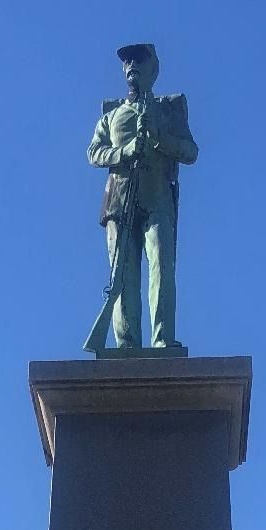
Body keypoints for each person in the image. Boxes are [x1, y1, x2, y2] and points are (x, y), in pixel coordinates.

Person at [86, 42, 198, 352]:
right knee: (123, 276)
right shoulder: (112, 116)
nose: (131, 65)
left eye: (139, 59)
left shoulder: (167, 110)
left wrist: (159, 140)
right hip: (120, 202)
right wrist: (125, 152)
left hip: (157, 198)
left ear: (153, 69)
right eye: (127, 61)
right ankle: (127, 345)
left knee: (161, 267)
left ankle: (162, 339)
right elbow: (94, 152)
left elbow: (190, 152)